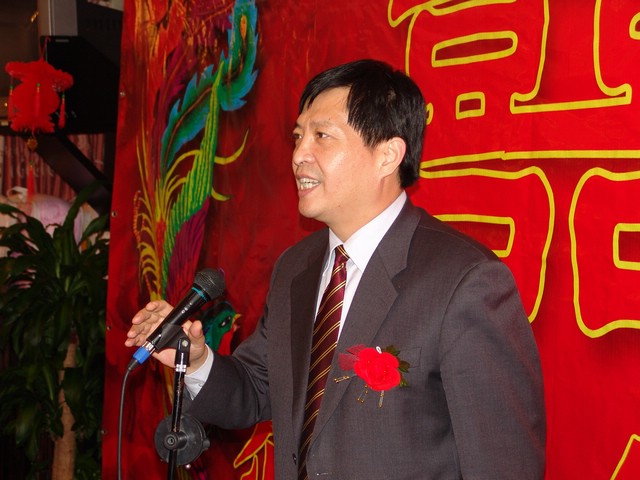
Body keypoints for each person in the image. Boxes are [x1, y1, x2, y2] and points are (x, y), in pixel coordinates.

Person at [126, 59, 546, 479]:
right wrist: (194, 358)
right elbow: (255, 389)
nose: (298, 155)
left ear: (387, 155)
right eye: (297, 137)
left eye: (322, 136)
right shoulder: (296, 268)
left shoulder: (464, 281)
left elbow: (503, 464)